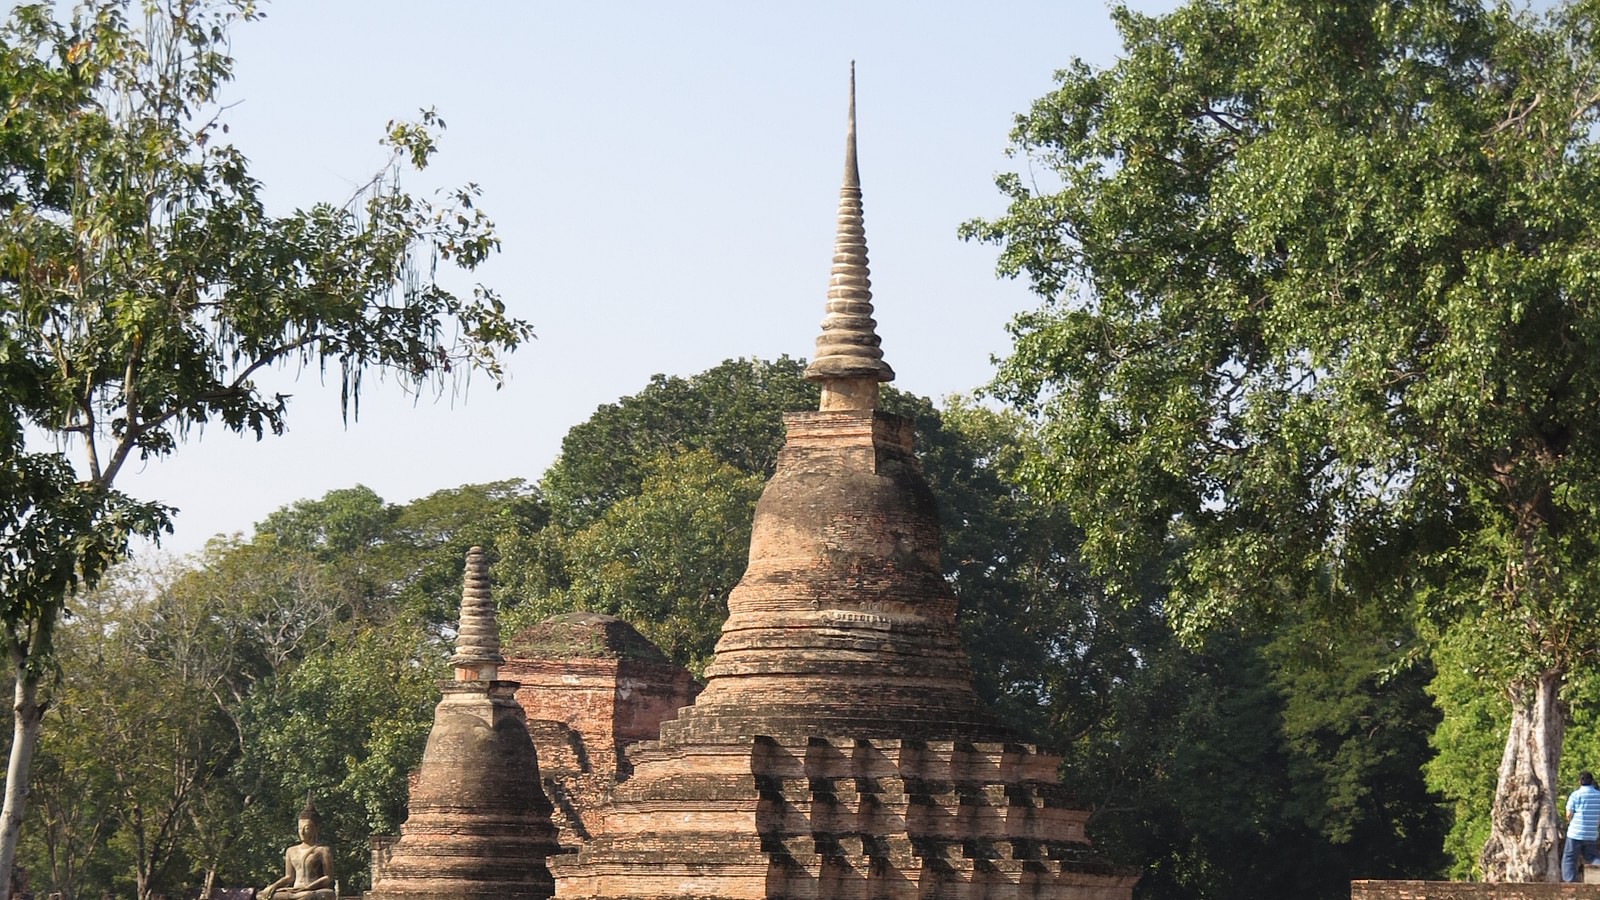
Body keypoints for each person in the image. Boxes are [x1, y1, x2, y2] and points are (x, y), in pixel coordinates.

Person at [261, 802, 336, 900]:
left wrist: (308, 887)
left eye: (307, 828)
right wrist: (273, 886)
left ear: (316, 829)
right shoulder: (291, 851)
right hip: (295, 890)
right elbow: (289, 877)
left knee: (309, 896)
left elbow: (328, 877)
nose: (302, 832)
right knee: (262, 895)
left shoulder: (322, 850)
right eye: (300, 828)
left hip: (313, 890)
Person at [1564, 771, 1600, 882]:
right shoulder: (1599, 795)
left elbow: (1569, 814)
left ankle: (1570, 882)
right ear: (1592, 782)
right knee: (1592, 857)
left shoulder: (1575, 795)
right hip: (1591, 833)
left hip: (1575, 833)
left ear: (1580, 782)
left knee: (1569, 858)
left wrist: (1569, 821)